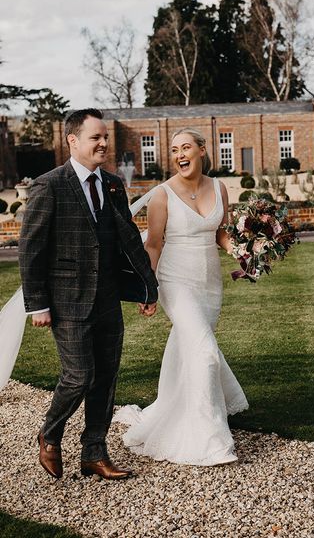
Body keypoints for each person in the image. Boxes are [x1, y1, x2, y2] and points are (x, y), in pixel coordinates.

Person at [18, 108, 158, 480]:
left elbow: (128, 237)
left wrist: (148, 286)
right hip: (66, 302)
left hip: (108, 300)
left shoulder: (112, 184)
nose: (103, 143)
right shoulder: (49, 185)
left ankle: (94, 452)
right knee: (79, 376)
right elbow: (31, 248)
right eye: (95, 137)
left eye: (105, 137)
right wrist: (38, 304)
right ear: (73, 140)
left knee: (106, 377)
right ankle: (49, 433)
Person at [113, 128, 249, 466]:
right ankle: (211, 439)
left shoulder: (219, 188)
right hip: (175, 281)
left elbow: (220, 232)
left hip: (210, 284)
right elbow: (154, 244)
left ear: (202, 150)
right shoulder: (162, 194)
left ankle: (172, 409)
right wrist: (148, 287)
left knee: (188, 350)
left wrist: (243, 252)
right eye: (174, 150)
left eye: (186, 147)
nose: (179, 155)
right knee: (205, 354)